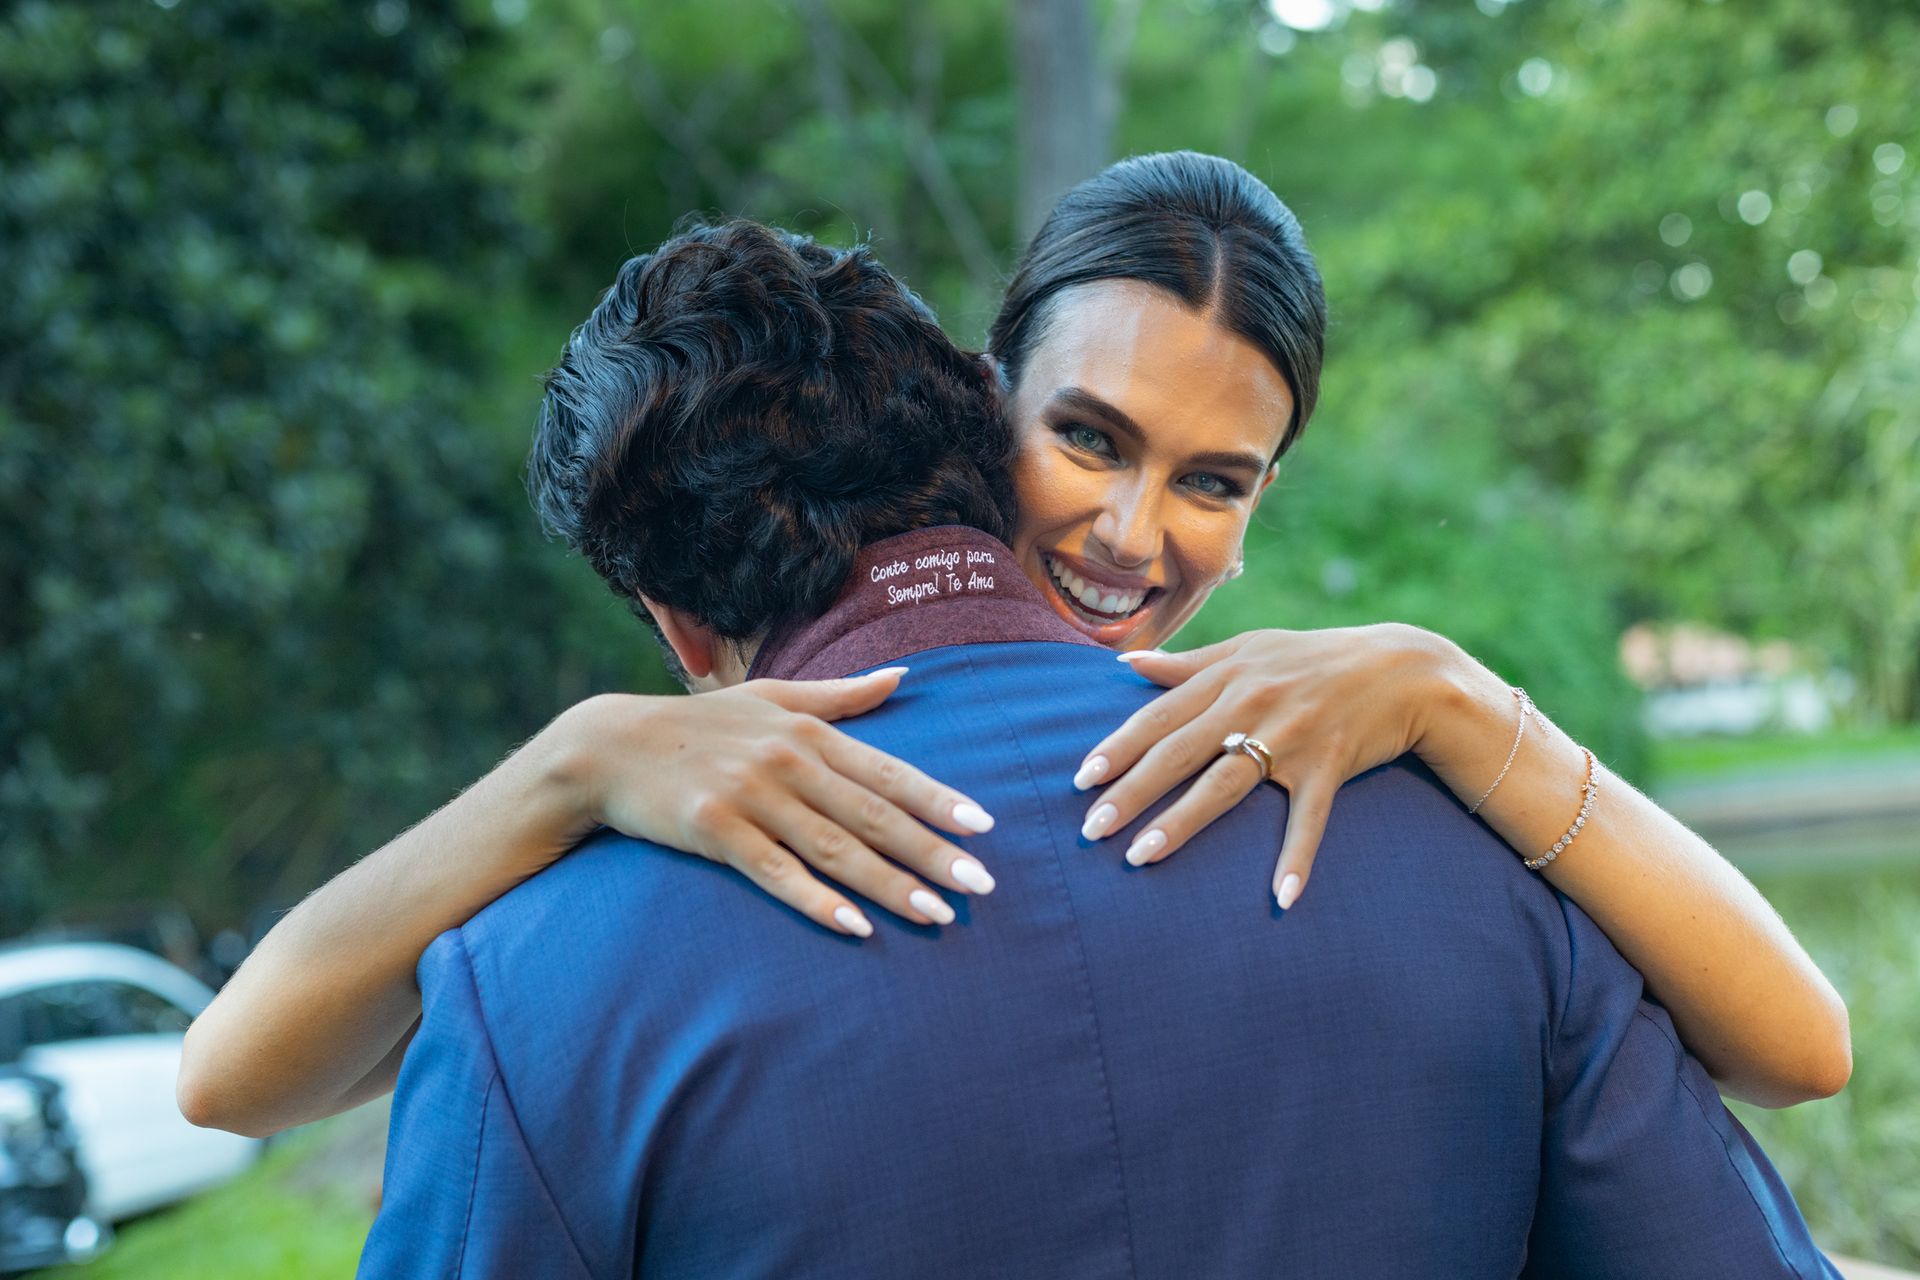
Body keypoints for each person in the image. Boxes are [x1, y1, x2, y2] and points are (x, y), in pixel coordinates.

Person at [176, 153, 1849, 1147]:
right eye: (1092, 439)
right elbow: (239, 1079)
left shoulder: (1327, 732)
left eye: (1214, 482)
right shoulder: (700, 775)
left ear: (1270, 498)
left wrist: (1461, 695)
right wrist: (575, 765)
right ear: (985, 401)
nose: (1134, 534)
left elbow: (1801, 1049)